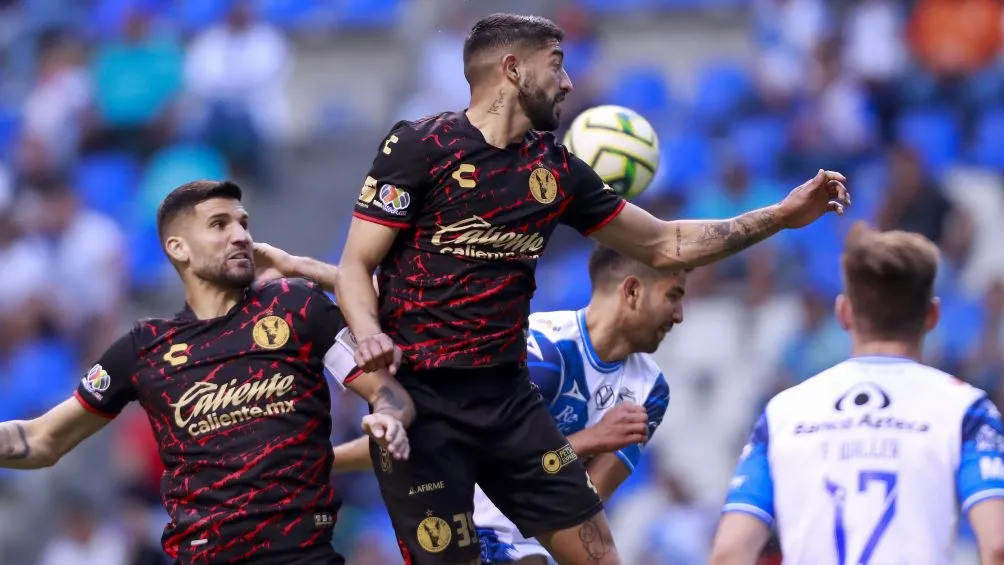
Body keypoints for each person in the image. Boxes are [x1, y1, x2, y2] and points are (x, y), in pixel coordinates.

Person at [335, 13, 850, 565]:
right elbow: (355, 265)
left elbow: (665, 244)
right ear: (512, 69)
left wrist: (782, 215)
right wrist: (367, 337)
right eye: (556, 64)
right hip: (427, 405)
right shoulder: (419, 148)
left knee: (600, 555)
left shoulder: (554, 171)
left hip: (511, 406)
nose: (569, 81)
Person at [0, 180, 413, 565]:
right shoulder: (145, 349)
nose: (241, 235)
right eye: (220, 224)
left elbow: (388, 395)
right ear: (178, 248)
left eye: (243, 223)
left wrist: (390, 419)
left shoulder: (295, 306)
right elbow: (43, 439)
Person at [254, 242, 682, 564]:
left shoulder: (650, 390)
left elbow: (586, 497)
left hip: (541, 542)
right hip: (472, 530)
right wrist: (589, 441)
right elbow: (471, 451)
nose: (679, 314)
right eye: (673, 295)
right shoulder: (538, 348)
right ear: (631, 291)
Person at [709, 222, 1004, 565]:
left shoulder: (784, 412)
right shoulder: (966, 408)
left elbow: (730, 551)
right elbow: (997, 545)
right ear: (933, 315)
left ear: (844, 312)